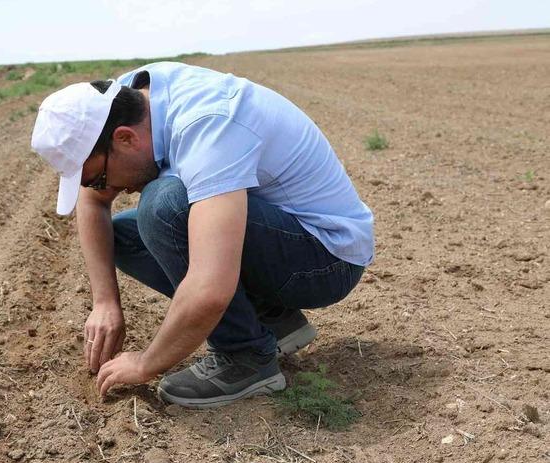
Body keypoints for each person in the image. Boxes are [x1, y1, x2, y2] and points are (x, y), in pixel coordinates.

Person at [30, 62, 374, 409]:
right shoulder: (128, 100)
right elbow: (93, 202)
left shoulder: (207, 125)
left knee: (164, 206)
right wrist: (105, 302)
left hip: (326, 259)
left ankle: (245, 358)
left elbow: (210, 289)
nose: (106, 189)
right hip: (283, 238)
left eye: (100, 178)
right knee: (123, 237)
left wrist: (146, 363)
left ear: (125, 138)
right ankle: (271, 320)